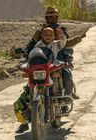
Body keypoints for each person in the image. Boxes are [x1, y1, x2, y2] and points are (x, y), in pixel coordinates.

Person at [14, 6, 79, 134]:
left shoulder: (61, 30)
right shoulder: (41, 31)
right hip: (41, 63)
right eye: (49, 16)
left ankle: (68, 95)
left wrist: (68, 59)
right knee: (28, 89)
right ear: (46, 17)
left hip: (58, 61)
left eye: (53, 16)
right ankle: (25, 121)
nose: (51, 18)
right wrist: (25, 56)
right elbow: (31, 45)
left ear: (57, 17)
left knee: (66, 74)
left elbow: (66, 44)